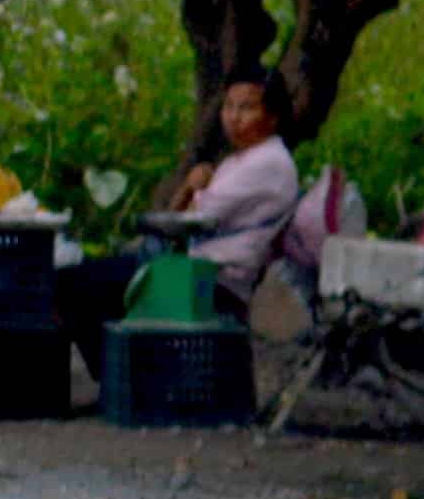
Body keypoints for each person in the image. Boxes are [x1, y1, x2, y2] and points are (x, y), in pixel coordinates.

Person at [61, 79, 306, 365]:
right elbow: (181, 215)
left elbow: (185, 220)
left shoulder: (268, 163)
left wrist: (191, 188)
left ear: (273, 116)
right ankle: (119, 375)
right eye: (229, 106)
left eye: (247, 107)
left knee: (71, 284)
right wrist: (190, 190)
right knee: (81, 281)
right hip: (188, 265)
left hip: (211, 279)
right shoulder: (240, 161)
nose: (233, 117)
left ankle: (116, 376)